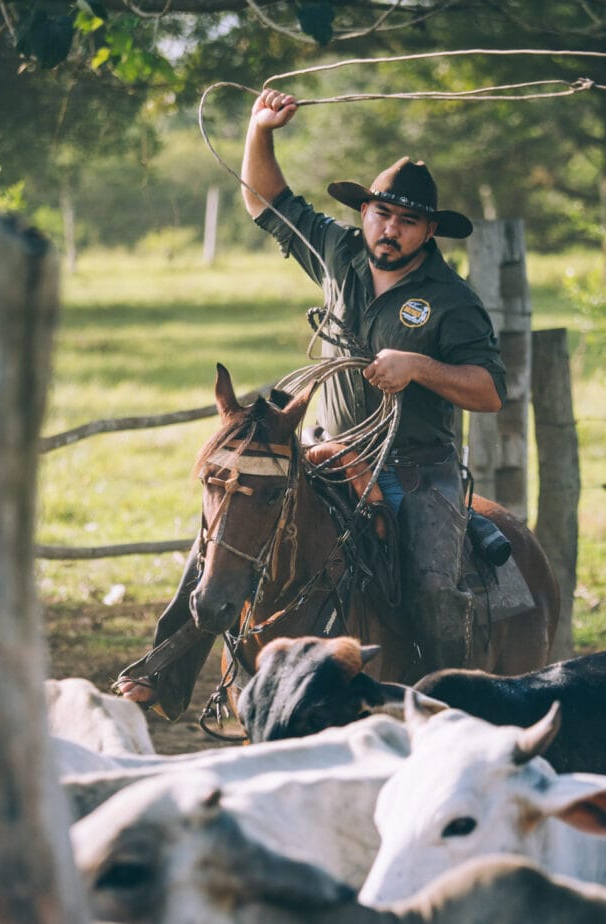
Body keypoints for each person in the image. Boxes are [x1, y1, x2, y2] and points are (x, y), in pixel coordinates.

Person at [117, 89, 506, 716]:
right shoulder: (338, 251)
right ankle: (164, 673)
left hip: (415, 467)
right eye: (382, 213)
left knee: (435, 589)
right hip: (326, 452)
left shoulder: (451, 299)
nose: (390, 229)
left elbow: (488, 391)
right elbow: (264, 200)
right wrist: (260, 130)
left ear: (430, 231)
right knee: (230, 525)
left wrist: (419, 367)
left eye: (407, 222)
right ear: (365, 212)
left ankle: (449, 706)